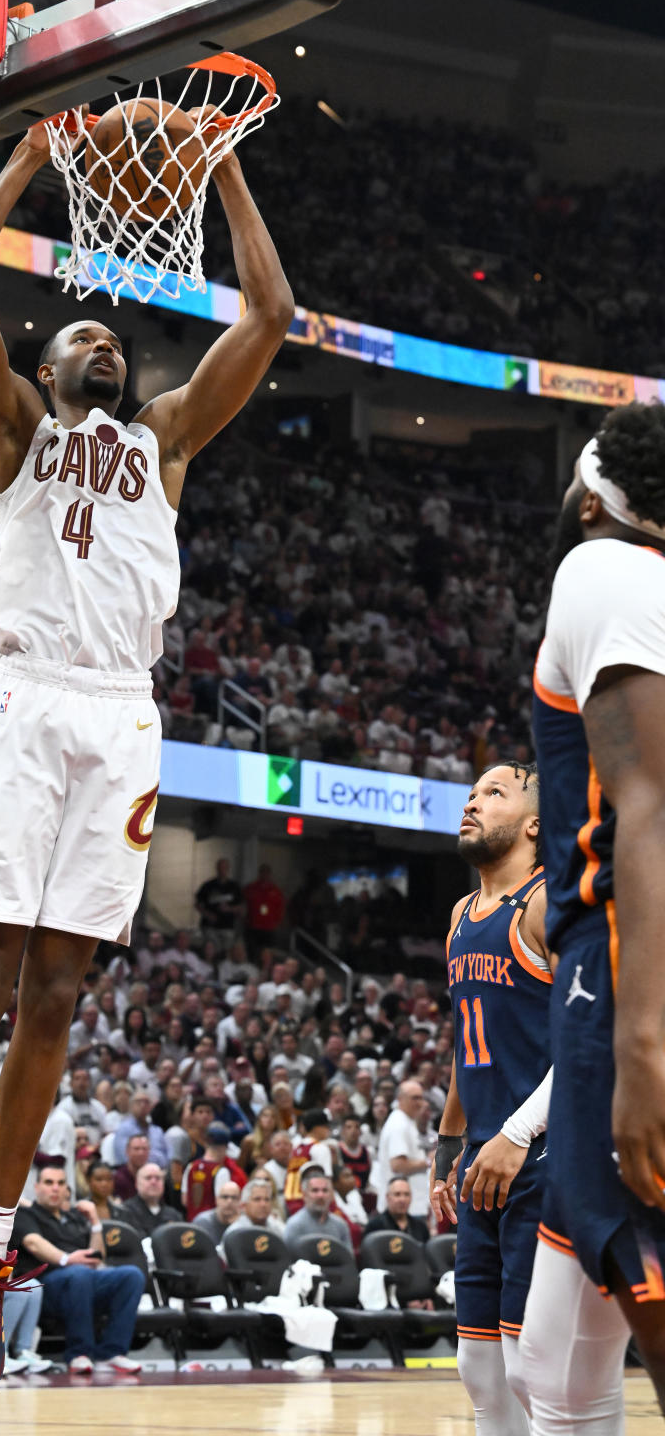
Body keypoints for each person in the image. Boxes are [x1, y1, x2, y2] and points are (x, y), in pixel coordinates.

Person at [0, 109, 293, 1393]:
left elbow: (270, 316)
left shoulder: (164, 440)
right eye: (80, 334)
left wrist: (217, 164)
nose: (103, 341)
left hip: (121, 711)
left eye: (113, 334)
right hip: (27, 697)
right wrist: (28, 161)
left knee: (57, 994)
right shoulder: (15, 431)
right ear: (46, 364)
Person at [521, 409, 665, 1430]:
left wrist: (642, 1042)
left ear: (589, 497)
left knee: (645, 1274)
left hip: (624, 960)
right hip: (612, 961)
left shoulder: (602, 571)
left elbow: (646, 810)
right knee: (555, 1362)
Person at [429, 761, 552, 1436]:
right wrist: (451, 1149)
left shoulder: (546, 903)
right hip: (484, 1159)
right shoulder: (460, 915)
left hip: (546, 1156)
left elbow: (592, 1043)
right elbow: (464, 1045)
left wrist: (516, 1133)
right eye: (472, 794)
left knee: (532, 1367)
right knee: (480, 1368)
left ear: (534, 823)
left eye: (494, 793)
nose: (472, 803)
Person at [18, 1165, 145, 1374]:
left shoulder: (75, 1217)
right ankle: (79, 1353)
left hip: (83, 1282)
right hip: (45, 1285)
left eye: (60, 1183)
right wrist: (67, 1259)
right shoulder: (26, 1214)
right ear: (37, 1186)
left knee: (132, 1275)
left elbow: (97, 1256)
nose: (55, 1188)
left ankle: (111, 1353)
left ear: (67, 1189)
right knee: (80, 1273)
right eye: (49, 1183)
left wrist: (95, 1222)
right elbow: (33, 1243)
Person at [372, 1080, 430, 1216]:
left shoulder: (407, 1121)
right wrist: (428, 1161)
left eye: (421, 1098)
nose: (420, 1103)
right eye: (414, 1098)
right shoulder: (398, 1124)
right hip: (402, 1209)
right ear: (400, 1099)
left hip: (412, 1206)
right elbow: (398, 1165)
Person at [181, 1122, 247, 1221]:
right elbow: (224, 1205)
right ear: (224, 1147)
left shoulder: (191, 1166)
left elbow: (185, 1200)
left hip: (192, 1223)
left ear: (206, 1143)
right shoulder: (221, 1171)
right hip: (212, 1225)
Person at [284, 1109, 338, 1217]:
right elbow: (326, 1182)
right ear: (317, 1127)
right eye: (326, 1126)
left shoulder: (296, 1148)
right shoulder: (320, 1148)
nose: (328, 1130)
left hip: (289, 1202)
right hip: (311, 1204)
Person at [284, 1168, 356, 1247]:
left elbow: (348, 1258)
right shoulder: (294, 1226)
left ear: (331, 1195)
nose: (320, 1195)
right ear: (304, 1194)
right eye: (315, 1190)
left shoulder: (340, 1225)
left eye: (325, 1190)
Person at [195, 859, 245, 950]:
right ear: (217, 868)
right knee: (212, 950)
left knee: (226, 952)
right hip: (210, 926)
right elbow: (197, 904)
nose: (222, 870)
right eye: (220, 868)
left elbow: (241, 907)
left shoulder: (234, 886)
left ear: (228, 869)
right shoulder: (208, 885)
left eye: (224, 868)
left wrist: (229, 909)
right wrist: (207, 914)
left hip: (227, 926)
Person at [118, 1163, 179, 1238]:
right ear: (137, 1184)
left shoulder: (174, 1214)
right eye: (148, 1178)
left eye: (158, 1178)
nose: (153, 1182)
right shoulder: (125, 1211)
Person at [367, 1176, 429, 1243]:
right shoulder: (374, 1227)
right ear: (387, 1197)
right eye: (397, 1194)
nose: (402, 1199)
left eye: (406, 1194)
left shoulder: (420, 1227)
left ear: (411, 1197)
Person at [192, 1180, 243, 1245]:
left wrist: (237, 1224)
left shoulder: (244, 1222)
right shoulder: (203, 1222)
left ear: (240, 1201)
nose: (229, 1201)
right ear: (217, 1200)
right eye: (225, 1197)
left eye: (234, 1197)